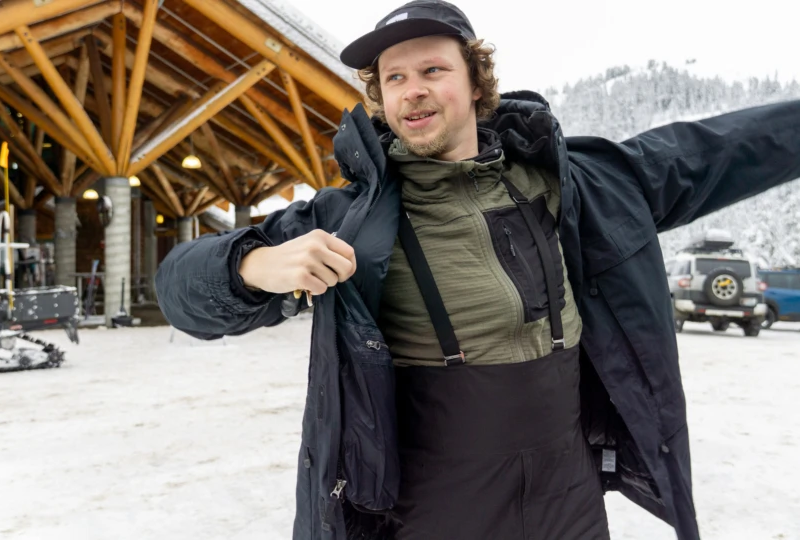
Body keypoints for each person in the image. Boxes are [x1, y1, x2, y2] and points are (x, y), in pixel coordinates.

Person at [154, 1, 800, 539]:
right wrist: (249, 265)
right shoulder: (346, 217)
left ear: (475, 81)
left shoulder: (582, 185)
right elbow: (181, 290)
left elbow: (718, 150)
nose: (414, 89)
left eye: (432, 68)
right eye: (394, 78)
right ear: (380, 98)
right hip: (435, 498)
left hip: (568, 489)